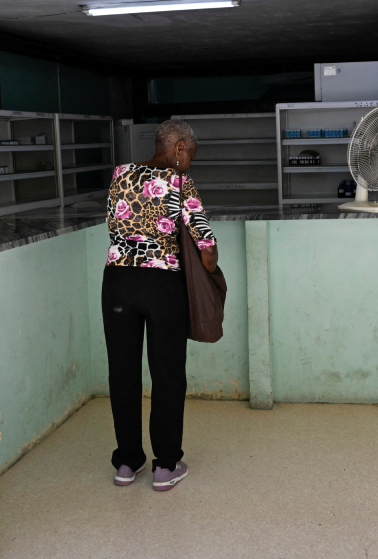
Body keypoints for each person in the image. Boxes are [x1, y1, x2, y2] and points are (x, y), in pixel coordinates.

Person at [101, 119, 218, 491]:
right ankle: (166, 465)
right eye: (190, 156)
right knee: (167, 374)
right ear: (179, 147)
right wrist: (211, 276)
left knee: (123, 373)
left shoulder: (121, 174)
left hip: (117, 282)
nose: (189, 164)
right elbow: (208, 250)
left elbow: (113, 224)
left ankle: (127, 462)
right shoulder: (180, 183)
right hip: (162, 284)